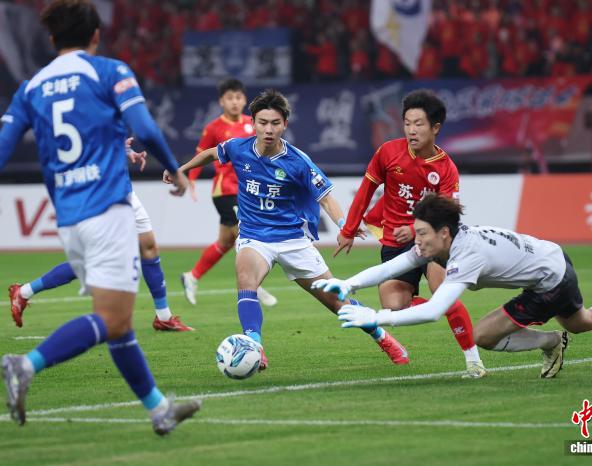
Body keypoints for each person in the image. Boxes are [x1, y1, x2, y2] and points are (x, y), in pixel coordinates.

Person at [0, 0, 200, 433]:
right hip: (108, 210)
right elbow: (145, 129)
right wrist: (176, 170)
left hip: (68, 219)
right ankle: (25, 365)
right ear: (95, 36)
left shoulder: (31, 87)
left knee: (120, 325)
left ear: (51, 38)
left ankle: (158, 410)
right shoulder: (109, 71)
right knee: (112, 319)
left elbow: (3, 147)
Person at [313, 194, 592, 379]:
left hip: (550, 280)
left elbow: (434, 310)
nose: (418, 241)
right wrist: (349, 283)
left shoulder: (465, 256)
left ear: (444, 233)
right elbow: (397, 264)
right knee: (582, 321)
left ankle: (551, 341)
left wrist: (375, 317)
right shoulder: (444, 241)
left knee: (484, 336)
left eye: (422, 233)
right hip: (552, 258)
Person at [164, 89, 410, 369]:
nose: (268, 130)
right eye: (262, 123)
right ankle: (254, 345)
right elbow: (212, 153)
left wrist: (344, 225)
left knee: (337, 303)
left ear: (285, 125)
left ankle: (382, 336)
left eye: (275, 123)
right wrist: (182, 169)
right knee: (246, 281)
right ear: (253, 123)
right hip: (254, 236)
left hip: (293, 241)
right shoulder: (238, 148)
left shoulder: (298, 161)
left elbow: (326, 197)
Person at [335, 90, 485, 378]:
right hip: (395, 240)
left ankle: (474, 360)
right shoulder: (388, 152)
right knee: (393, 306)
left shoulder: (446, 169)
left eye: (418, 124)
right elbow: (366, 190)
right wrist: (348, 229)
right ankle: (435, 309)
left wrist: (417, 227)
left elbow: (448, 215)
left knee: (443, 291)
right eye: (407, 123)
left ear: (435, 128)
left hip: (432, 243)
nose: (411, 130)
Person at [8, 139, 193, 332]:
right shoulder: (81, 123)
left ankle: (163, 317)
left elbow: (108, 138)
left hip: (125, 191)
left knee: (148, 247)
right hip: (105, 195)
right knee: (93, 260)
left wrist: (125, 150)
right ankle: (24, 291)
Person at [181, 78, 277, 307]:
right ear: (221, 101)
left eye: (238, 97)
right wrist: (191, 180)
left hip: (248, 190)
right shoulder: (213, 128)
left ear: (244, 100)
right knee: (247, 235)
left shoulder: (253, 124)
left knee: (225, 242)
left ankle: (191, 276)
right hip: (225, 191)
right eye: (229, 98)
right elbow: (202, 154)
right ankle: (254, 284)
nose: (234, 102)